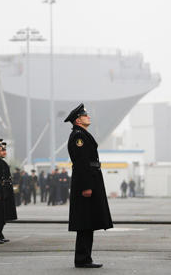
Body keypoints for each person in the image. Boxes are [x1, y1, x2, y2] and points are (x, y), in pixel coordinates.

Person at [65, 103, 113, 268]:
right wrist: (86, 186)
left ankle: (85, 257)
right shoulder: (79, 137)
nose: (89, 117)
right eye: (85, 115)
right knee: (85, 222)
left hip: (90, 181)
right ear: (78, 120)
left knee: (89, 221)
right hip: (85, 184)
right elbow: (82, 163)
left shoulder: (83, 135)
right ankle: (82, 258)